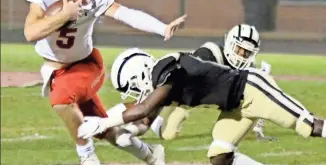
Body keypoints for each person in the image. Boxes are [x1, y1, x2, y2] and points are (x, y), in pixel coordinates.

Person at [78, 48, 326, 165]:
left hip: (253, 88)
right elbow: (144, 119)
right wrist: (114, 130)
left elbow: (142, 106)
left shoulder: (167, 69)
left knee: (309, 126)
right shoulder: (161, 87)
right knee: (219, 154)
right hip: (234, 106)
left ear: (138, 74)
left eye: (132, 87)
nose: (134, 93)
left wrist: (107, 119)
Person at [23, 0, 186, 165]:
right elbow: (30, 32)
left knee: (60, 99)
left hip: (86, 65)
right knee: (111, 134)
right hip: (56, 70)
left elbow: (126, 14)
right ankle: (152, 155)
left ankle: (86, 155)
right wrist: (64, 14)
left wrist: (161, 28)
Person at [106, 24, 276, 142]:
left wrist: (256, 125)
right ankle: (107, 123)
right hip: (178, 91)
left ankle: (108, 125)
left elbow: (257, 98)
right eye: (239, 49)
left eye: (247, 52)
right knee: (161, 128)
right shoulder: (211, 54)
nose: (242, 55)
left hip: (192, 97)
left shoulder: (248, 69)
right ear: (230, 42)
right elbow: (189, 78)